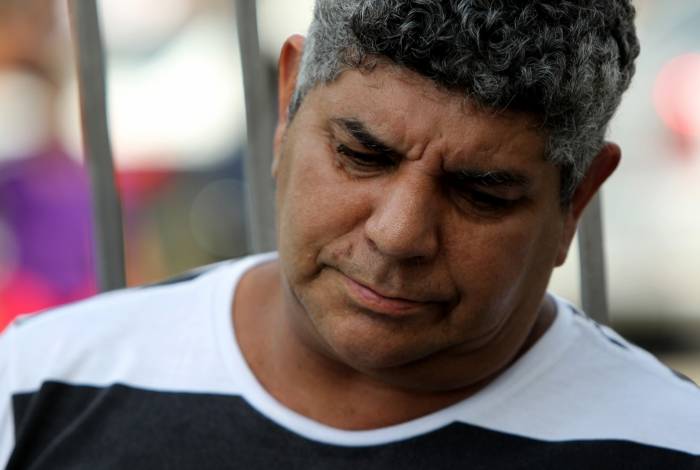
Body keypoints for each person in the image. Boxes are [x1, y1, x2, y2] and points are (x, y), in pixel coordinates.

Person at [1, 0, 699, 468]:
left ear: (577, 200)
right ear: (287, 105)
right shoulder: (39, 387)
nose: (399, 235)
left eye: (480, 193)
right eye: (362, 155)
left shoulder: (669, 443)